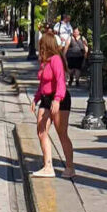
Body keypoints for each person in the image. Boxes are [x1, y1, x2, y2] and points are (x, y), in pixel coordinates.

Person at [31, 31, 75, 179]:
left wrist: (57, 99)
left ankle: (70, 167)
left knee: (61, 133)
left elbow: (61, 81)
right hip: (45, 98)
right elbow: (43, 83)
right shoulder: (44, 61)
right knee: (41, 130)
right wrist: (36, 99)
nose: (39, 47)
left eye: (41, 45)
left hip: (59, 98)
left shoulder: (56, 60)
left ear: (47, 45)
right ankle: (48, 166)